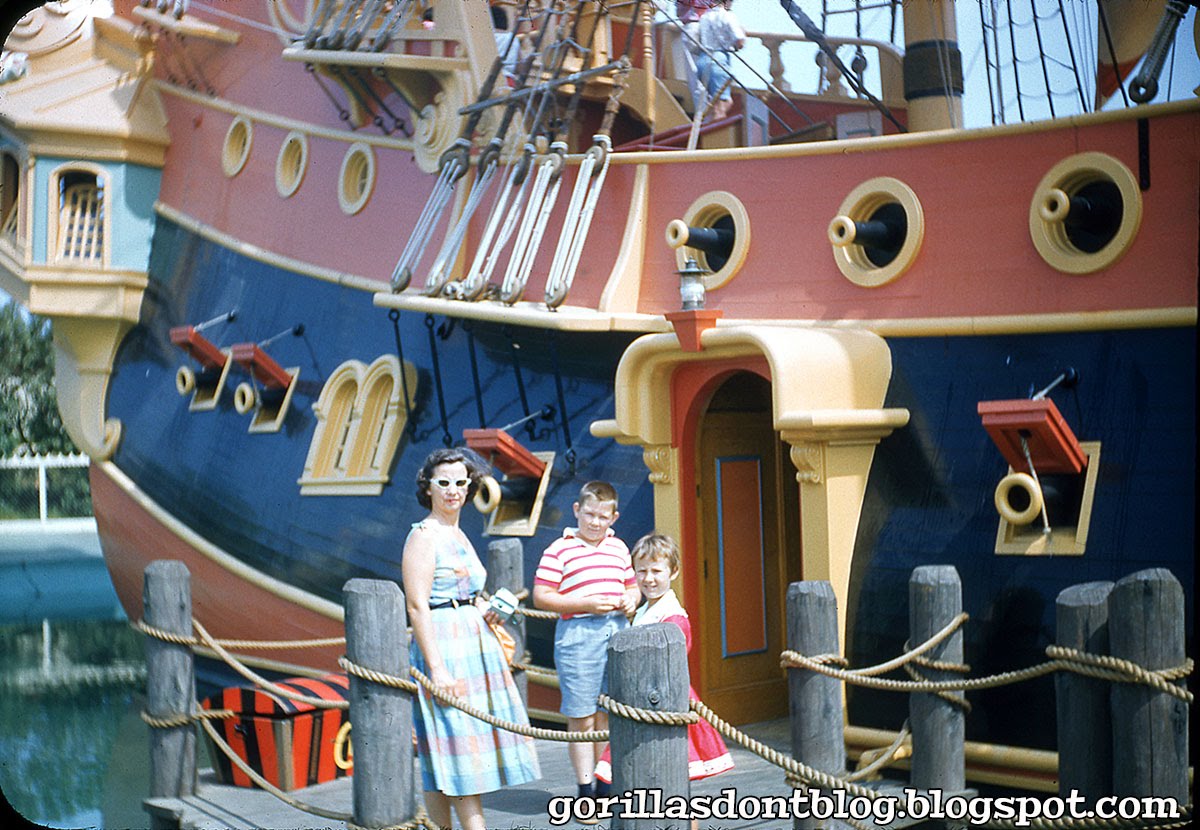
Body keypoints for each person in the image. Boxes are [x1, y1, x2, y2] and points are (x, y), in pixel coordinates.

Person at [402, 447, 540, 830]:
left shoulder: (458, 533)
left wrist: (487, 605)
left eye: (460, 483)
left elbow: (464, 592)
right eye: (443, 482)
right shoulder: (423, 536)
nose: (452, 490)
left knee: (450, 750)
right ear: (428, 487)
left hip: (473, 646)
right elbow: (417, 605)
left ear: (469, 487)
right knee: (455, 747)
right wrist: (437, 669)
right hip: (445, 648)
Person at [594, 532, 734, 819]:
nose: (648, 578)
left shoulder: (672, 618)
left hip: (666, 703)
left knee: (675, 784)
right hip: (642, 703)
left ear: (674, 571)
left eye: (656, 571)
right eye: (641, 571)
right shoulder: (644, 611)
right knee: (647, 780)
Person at [533, 481, 639, 806]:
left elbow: (632, 586)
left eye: (603, 517)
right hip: (578, 636)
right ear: (577, 510)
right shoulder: (559, 550)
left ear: (614, 517)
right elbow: (541, 596)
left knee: (607, 713)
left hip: (616, 634)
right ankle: (584, 790)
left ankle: (604, 785)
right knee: (582, 717)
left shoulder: (619, 548)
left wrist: (631, 600)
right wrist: (584, 604)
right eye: (589, 514)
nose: (595, 522)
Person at [693, 0, 745, 119]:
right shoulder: (728, 16)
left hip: (702, 61)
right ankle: (717, 129)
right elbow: (740, 41)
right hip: (718, 61)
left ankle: (710, 125)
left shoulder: (704, 17)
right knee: (723, 104)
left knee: (715, 102)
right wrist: (742, 34)